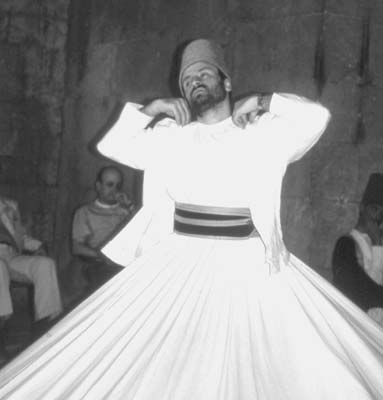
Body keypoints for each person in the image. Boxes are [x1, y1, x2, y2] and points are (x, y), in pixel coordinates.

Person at [0, 38, 382, 399]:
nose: (194, 83)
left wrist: (265, 101)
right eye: (187, 81)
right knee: (166, 356)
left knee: (254, 358)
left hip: (245, 262)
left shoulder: (262, 132)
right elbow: (113, 146)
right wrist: (149, 111)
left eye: (203, 74)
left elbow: (316, 117)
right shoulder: (171, 135)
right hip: (178, 258)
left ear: (225, 80)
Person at [0, 196, 63, 356]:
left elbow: (20, 237)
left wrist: (38, 245)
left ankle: (45, 328)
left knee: (45, 264)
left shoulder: (9, 206)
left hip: (11, 256)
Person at [71, 166, 135, 291]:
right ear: (98, 186)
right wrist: (103, 256)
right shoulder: (85, 212)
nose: (114, 190)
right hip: (99, 263)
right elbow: (77, 248)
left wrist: (130, 207)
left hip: (125, 261)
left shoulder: (126, 212)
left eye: (118, 186)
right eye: (109, 185)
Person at [332, 172, 383, 326]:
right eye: (375, 209)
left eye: (382, 212)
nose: (378, 217)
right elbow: (362, 292)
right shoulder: (345, 244)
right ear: (362, 208)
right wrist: (376, 245)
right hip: (356, 328)